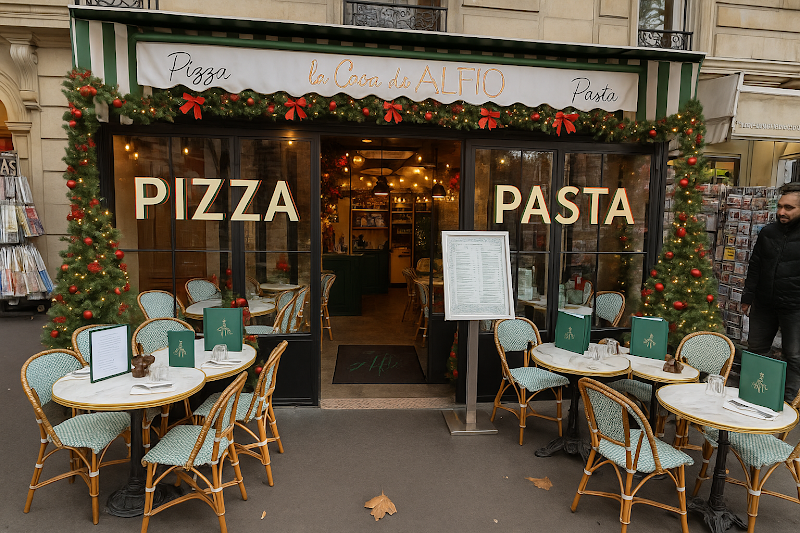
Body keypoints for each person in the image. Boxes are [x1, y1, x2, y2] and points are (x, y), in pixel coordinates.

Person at [742, 182, 800, 402]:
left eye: (789, 208)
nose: (781, 212)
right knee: (755, 348)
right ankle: (753, 392)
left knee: (793, 355)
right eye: (780, 206)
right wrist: (748, 297)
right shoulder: (768, 232)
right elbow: (755, 265)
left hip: (795, 306)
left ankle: (789, 401)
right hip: (764, 303)